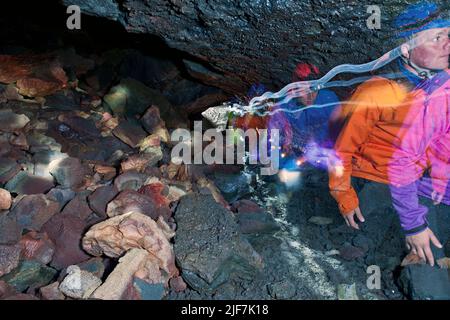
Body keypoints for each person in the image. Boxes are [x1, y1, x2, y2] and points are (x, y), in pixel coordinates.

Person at [328, 0, 450, 275]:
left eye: (448, 35)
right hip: (374, 182)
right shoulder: (378, 92)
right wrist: (344, 196)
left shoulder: (440, 90)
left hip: (416, 182)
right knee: (420, 256)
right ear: (406, 49)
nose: (447, 44)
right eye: (436, 37)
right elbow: (342, 149)